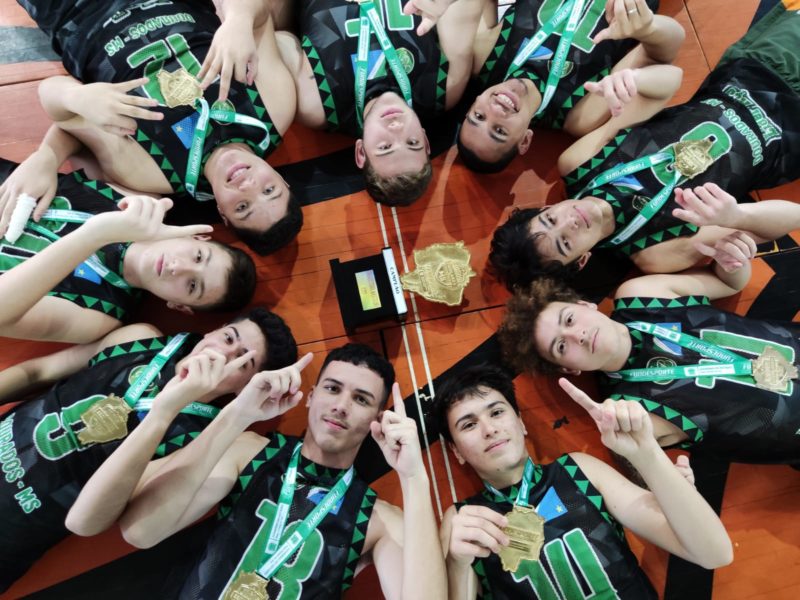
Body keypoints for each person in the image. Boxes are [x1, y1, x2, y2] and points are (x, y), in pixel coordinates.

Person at [65, 343, 446, 598]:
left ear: (377, 419)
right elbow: (140, 531)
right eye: (332, 389)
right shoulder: (250, 452)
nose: (342, 405)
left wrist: (414, 478)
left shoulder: (380, 518)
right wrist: (237, 416)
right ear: (311, 398)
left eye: (361, 399)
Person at [489, 0, 800, 288]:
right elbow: (793, 216)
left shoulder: (580, 164)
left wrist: (634, 82)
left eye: (550, 219)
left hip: (759, 68)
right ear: (581, 260)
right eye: (565, 244)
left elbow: (671, 77)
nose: (569, 221)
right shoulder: (655, 254)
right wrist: (737, 219)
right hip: (791, 141)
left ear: (546, 207)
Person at [0, 305, 298, 591]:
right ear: (213, 331)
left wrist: (165, 411)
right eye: (228, 338)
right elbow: (39, 372)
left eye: (242, 361)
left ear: (244, 387)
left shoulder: (196, 443)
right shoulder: (139, 339)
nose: (222, 353)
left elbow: (85, 522)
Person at [13, 0, 301, 254]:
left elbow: (53, 99)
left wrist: (79, 97)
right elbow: (261, 12)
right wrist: (240, 18)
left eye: (242, 207)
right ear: (283, 179)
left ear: (222, 214)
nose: (248, 187)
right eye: (269, 190)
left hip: (77, 12)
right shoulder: (275, 107)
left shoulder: (148, 172)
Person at [499, 225, 800, 464]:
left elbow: (731, 283)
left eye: (568, 319)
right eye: (561, 347)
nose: (576, 335)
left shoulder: (640, 294)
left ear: (584, 305)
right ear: (569, 368)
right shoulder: (625, 410)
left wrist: (732, 258)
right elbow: (650, 468)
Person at [433, 364, 732, 599]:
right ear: (456, 451)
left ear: (522, 423)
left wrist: (649, 455)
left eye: (497, 412)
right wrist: (457, 565)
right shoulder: (463, 520)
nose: (489, 429)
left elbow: (714, 553)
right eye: (469, 424)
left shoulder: (579, 470)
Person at [0, 162, 255, 343]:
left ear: (178, 306)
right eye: (198, 256)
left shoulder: (99, 316)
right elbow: (75, 120)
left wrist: (94, 235)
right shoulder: (138, 196)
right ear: (194, 236)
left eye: (191, 286)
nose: (180, 267)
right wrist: (46, 157)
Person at [276, 0, 484, 205]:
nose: (396, 129)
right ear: (425, 139)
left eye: (385, 146)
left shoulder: (317, 104)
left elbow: (270, 33)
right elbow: (467, 7)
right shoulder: (445, 88)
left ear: (361, 152)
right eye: (412, 143)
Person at [459, 0, 685, 173]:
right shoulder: (579, 114)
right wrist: (647, 28)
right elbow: (666, 47)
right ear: (525, 140)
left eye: (478, 116)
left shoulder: (484, 57)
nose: (496, 111)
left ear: (475, 100)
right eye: (500, 131)